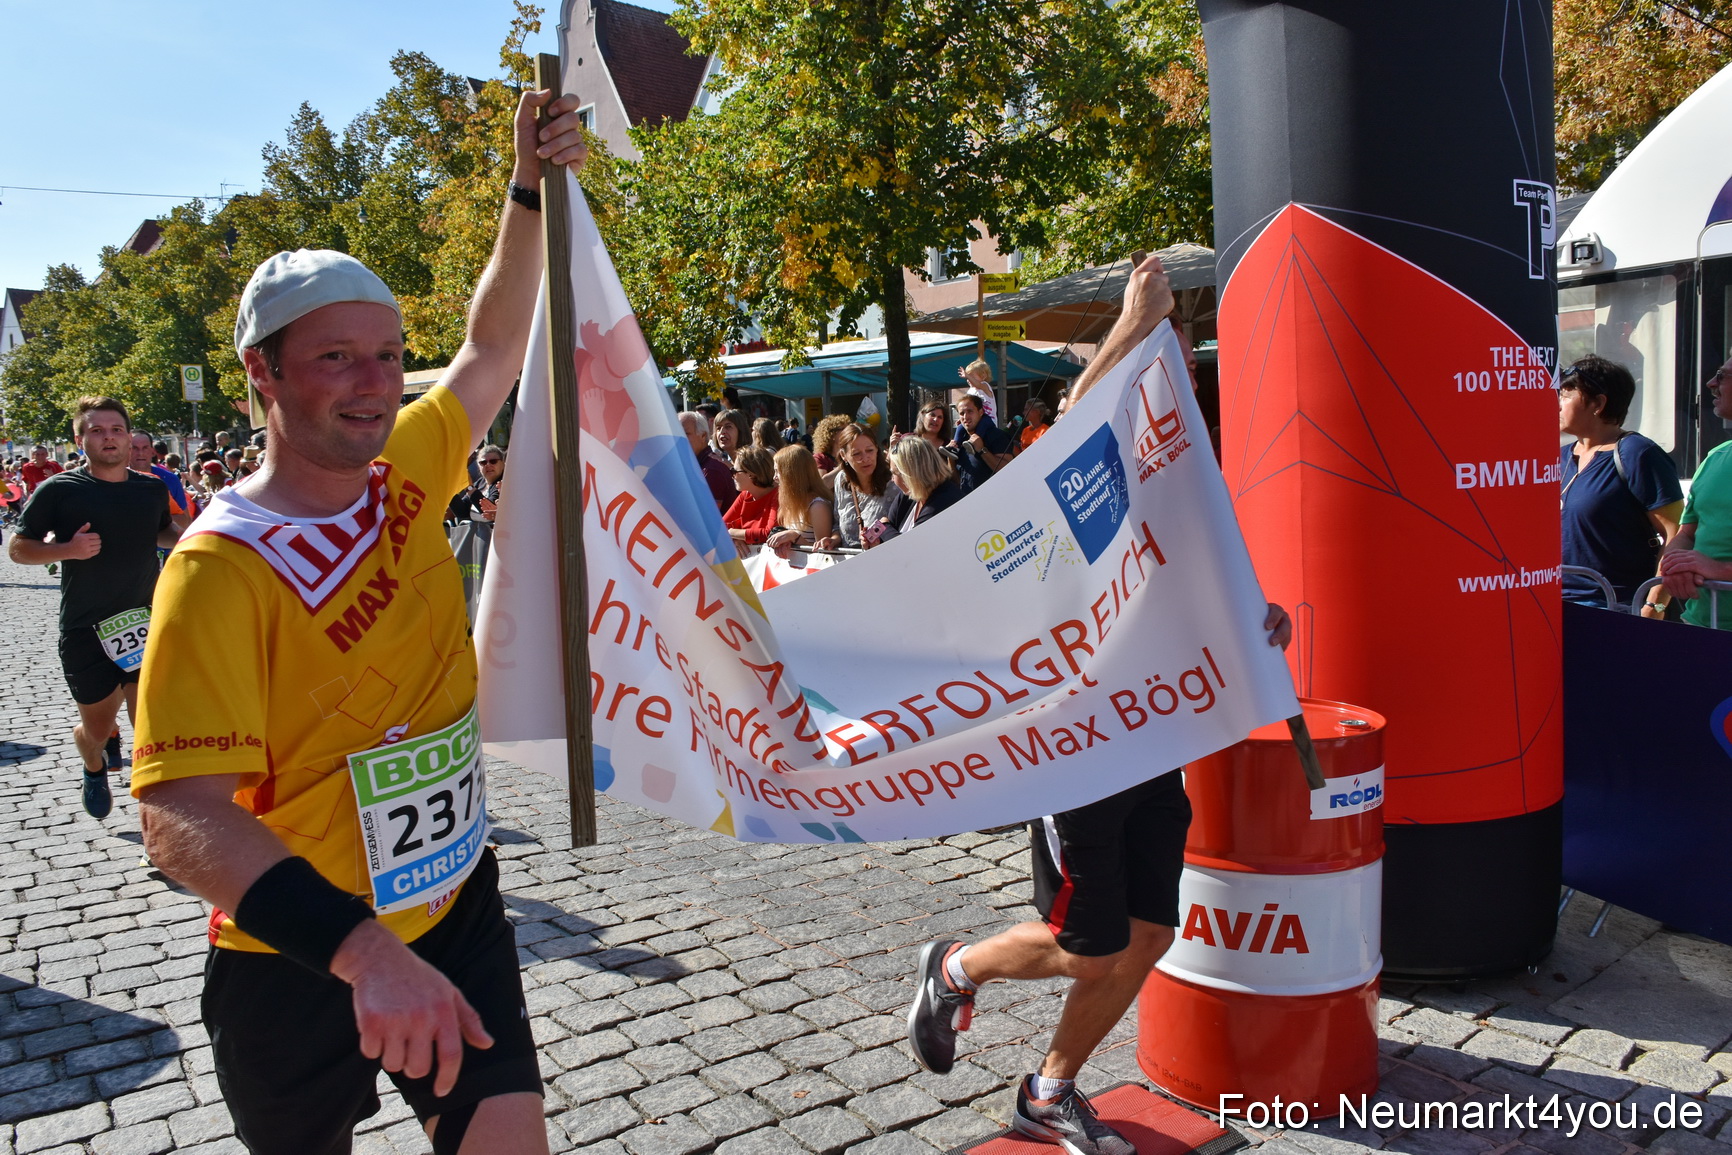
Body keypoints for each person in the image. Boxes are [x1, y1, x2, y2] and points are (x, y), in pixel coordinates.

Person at [128, 88, 590, 1155]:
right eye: (336, 356)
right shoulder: (217, 572)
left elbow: (489, 348)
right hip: (296, 956)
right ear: (263, 373)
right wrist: (361, 953)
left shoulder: (410, 471)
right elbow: (179, 817)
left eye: (385, 353)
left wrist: (528, 188)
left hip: (453, 902)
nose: (374, 383)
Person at [905, 253, 1294, 1155]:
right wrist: (1134, 318)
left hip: (1154, 737)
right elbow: (1079, 421)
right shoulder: (1079, 491)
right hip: (1073, 744)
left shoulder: (1180, 493)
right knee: (1085, 941)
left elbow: (1200, 591)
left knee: (1151, 932)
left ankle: (1048, 1089)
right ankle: (956, 965)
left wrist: (1253, 620)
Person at [9, 396, 177, 820]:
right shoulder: (60, 490)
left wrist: (201, 533)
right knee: (97, 729)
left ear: (129, 437)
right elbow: (18, 549)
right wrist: (67, 549)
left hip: (144, 623)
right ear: (79, 438)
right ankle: (94, 763)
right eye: (97, 431)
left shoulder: (150, 487)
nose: (108, 438)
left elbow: (161, 532)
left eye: (116, 430)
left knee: (153, 732)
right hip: (88, 630)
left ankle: (158, 826)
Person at [1556, 355, 1682, 613]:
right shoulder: (1560, 457)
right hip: (1557, 606)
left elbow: (1676, 534)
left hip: (1617, 607)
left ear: (1598, 403)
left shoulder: (1637, 453)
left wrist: (1654, 604)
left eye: (1567, 395)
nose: (1557, 403)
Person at [1661, 356, 1732, 627]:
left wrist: (1719, 570)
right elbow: (1686, 534)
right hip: (1700, 629)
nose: (1711, 383)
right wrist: (1675, 564)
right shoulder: (1715, 458)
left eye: (1722, 376)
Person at [832, 423, 903, 549]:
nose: (865, 458)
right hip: (847, 563)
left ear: (877, 449)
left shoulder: (894, 484)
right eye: (856, 454)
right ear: (844, 456)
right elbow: (837, 523)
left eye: (869, 450)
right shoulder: (842, 480)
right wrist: (833, 540)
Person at [885, 438, 964, 533]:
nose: (892, 479)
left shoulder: (943, 502)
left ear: (910, 474)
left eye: (894, 473)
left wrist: (884, 530)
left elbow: (911, 544)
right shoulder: (908, 495)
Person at [766, 444, 835, 553]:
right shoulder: (792, 503)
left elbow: (823, 555)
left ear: (792, 474)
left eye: (778, 472)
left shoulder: (818, 506)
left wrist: (794, 537)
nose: (774, 478)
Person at [952, 391, 1013, 494]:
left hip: (993, 501)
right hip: (966, 502)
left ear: (981, 412)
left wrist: (982, 450)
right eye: (962, 413)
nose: (966, 417)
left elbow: (1008, 470)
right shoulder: (960, 440)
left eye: (970, 411)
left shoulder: (997, 436)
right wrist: (950, 457)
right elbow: (955, 479)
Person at [723, 445, 779, 547]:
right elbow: (720, 526)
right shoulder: (745, 495)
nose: (732, 475)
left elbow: (770, 534)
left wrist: (731, 533)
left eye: (735, 471)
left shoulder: (778, 496)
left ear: (751, 474)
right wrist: (735, 539)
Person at [679, 411, 735, 514]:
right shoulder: (698, 465)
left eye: (685, 433)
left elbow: (706, 517)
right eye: (676, 433)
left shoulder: (712, 470)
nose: (679, 438)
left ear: (703, 436)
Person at [810, 414, 851, 479]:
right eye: (844, 429)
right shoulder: (820, 458)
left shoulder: (848, 454)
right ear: (831, 434)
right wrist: (843, 465)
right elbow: (822, 484)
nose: (847, 432)